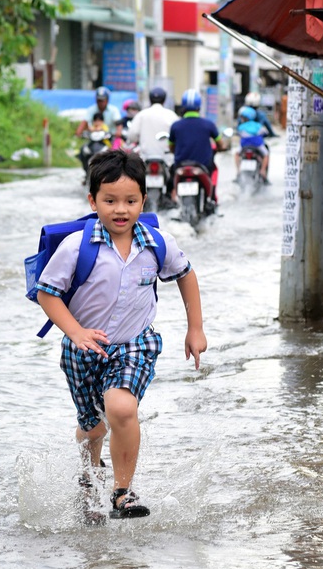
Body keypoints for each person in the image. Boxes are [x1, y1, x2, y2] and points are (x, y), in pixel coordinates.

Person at [35, 149, 207, 519]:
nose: (120, 209)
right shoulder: (76, 246)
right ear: (92, 201)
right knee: (92, 427)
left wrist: (195, 328)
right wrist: (76, 331)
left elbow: (186, 275)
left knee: (122, 407)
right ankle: (90, 477)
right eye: (109, 200)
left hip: (135, 344)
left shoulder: (156, 243)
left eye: (130, 201)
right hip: (82, 350)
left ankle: (122, 491)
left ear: (143, 200)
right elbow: (47, 293)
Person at [167, 88, 228, 208]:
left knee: (170, 176)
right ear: (199, 107)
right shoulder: (209, 124)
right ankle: (212, 200)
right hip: (203, 166)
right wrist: (221, 148)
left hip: (180, 165)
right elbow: (220, 144)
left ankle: (171, 197)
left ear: (183, 107)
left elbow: (171, 147)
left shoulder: (176, 126)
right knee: (213, 173)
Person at [125, 86, 178, 160]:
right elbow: (177, 137)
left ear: (150, 100)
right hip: (166, 159)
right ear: (164, 100)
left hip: (145, 158)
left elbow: (132, 135)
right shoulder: (172, 115)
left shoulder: (141, 115)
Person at [234, 105, 270, 184]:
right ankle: (263, 171)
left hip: (244, 146)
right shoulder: (258, 126)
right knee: (266, 155)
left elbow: (237, 134)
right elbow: (266, 132)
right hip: (258, 146)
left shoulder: (241, 126)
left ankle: (238, 171)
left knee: (236, 154)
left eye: (243, 117)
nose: (242, 119)